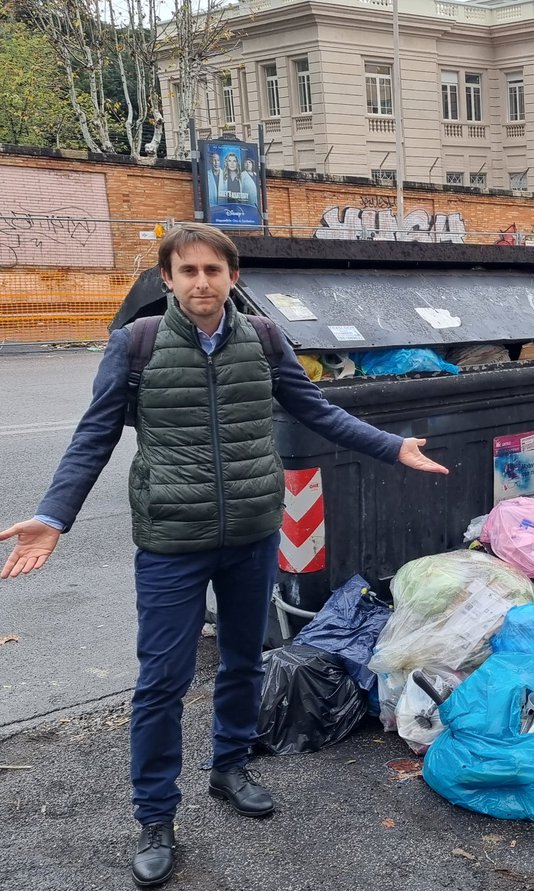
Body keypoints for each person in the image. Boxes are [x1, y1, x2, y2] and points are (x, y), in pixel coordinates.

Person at [0, 223, 449, 888]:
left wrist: (391, 445)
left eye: (214, 270)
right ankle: (156, 815)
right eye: (189, 271)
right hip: (171, 542)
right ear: (169, 279)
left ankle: (230, 766)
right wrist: (54, 515)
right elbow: (93, 436)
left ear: (233, 277)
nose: (202, 282)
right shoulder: (138, 346)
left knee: (243, 660)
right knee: (161, 681)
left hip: (251, 533)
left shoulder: (264, 340)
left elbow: (317, 410)